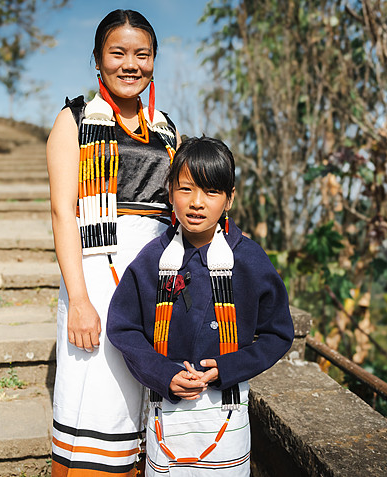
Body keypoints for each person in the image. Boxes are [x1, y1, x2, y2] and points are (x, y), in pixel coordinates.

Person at [107, 137, 294, 476]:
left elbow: (278, 333)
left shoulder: (249, 260)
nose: (196, 203)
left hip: (227, 415)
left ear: (230, 198)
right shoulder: (152, 261)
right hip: (167, 416)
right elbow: (123, 327)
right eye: (186, 189)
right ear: (169, 190)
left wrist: (230, 367)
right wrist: (164, 374)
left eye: (211, 192)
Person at [46, 9, 178, 477]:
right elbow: (65, 214)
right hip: (96, 276)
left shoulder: (165, 129)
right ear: (97, 61)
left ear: (154, 62)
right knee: (98, 393)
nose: (130, 64)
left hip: (157, 279)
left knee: (146, 389)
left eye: (142, 54)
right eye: (117, 53)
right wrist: (79, 300)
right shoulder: (75, 120)